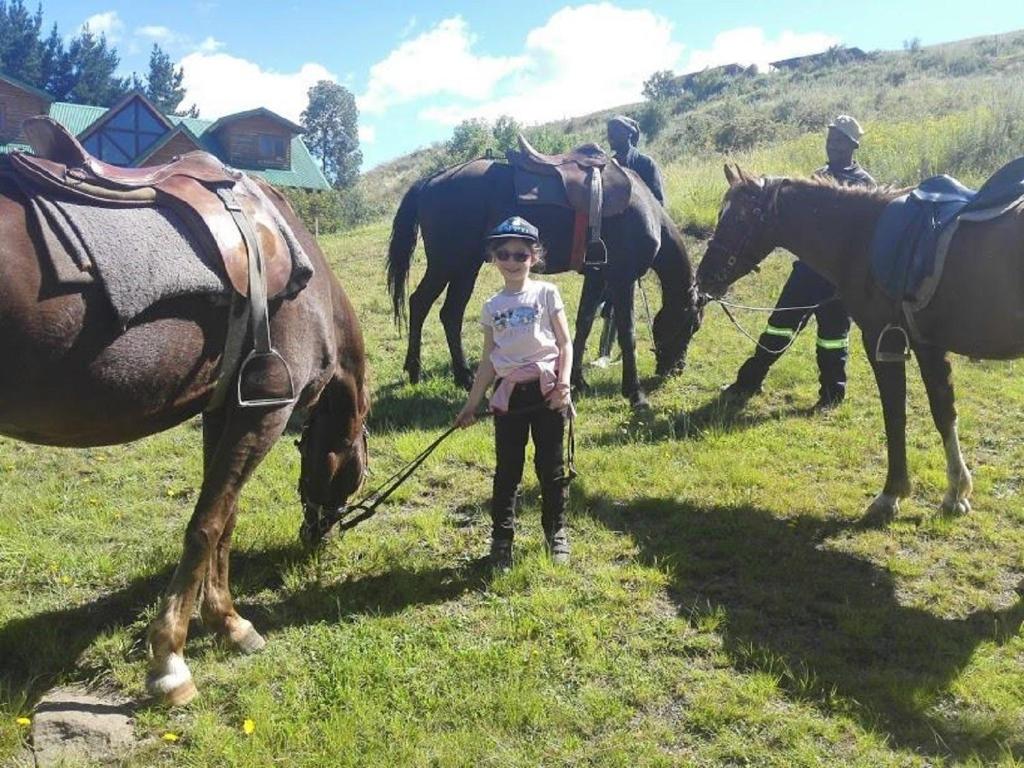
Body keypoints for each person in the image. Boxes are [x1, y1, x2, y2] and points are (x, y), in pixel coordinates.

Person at [723, 115, 876, 410]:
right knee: (778, 326)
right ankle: (748, 382)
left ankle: (832, 395)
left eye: (840, 141)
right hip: (807, 271)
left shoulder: (864, 184)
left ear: (853, 146)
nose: (833, 146)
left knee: (833, 338)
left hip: (837, 279)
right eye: (830, 140)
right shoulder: (817, 175)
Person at [455, 216, 574, 570]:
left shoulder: (546, 293)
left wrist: (564, 386)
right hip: (509, 397)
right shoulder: (492, 307)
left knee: (550, 468)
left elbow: (565, 344)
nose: (511, 261)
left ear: (533, 258)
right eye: (503, 254)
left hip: (547, 391)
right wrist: (471, 405)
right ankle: (502, 541)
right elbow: (489, 361)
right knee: (507, 471)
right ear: (493, 258)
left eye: (520, 255)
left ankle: (556, 533)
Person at [593, 115, 667, 363]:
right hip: (607, 239)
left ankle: (607, 353)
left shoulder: (645, 164)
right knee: (603, 295)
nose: (610, 135)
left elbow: (658, 204)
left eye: (615, 131)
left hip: (634, 242)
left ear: (628, 134)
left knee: (617, 298)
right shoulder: (605, 164)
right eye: (608, 130)